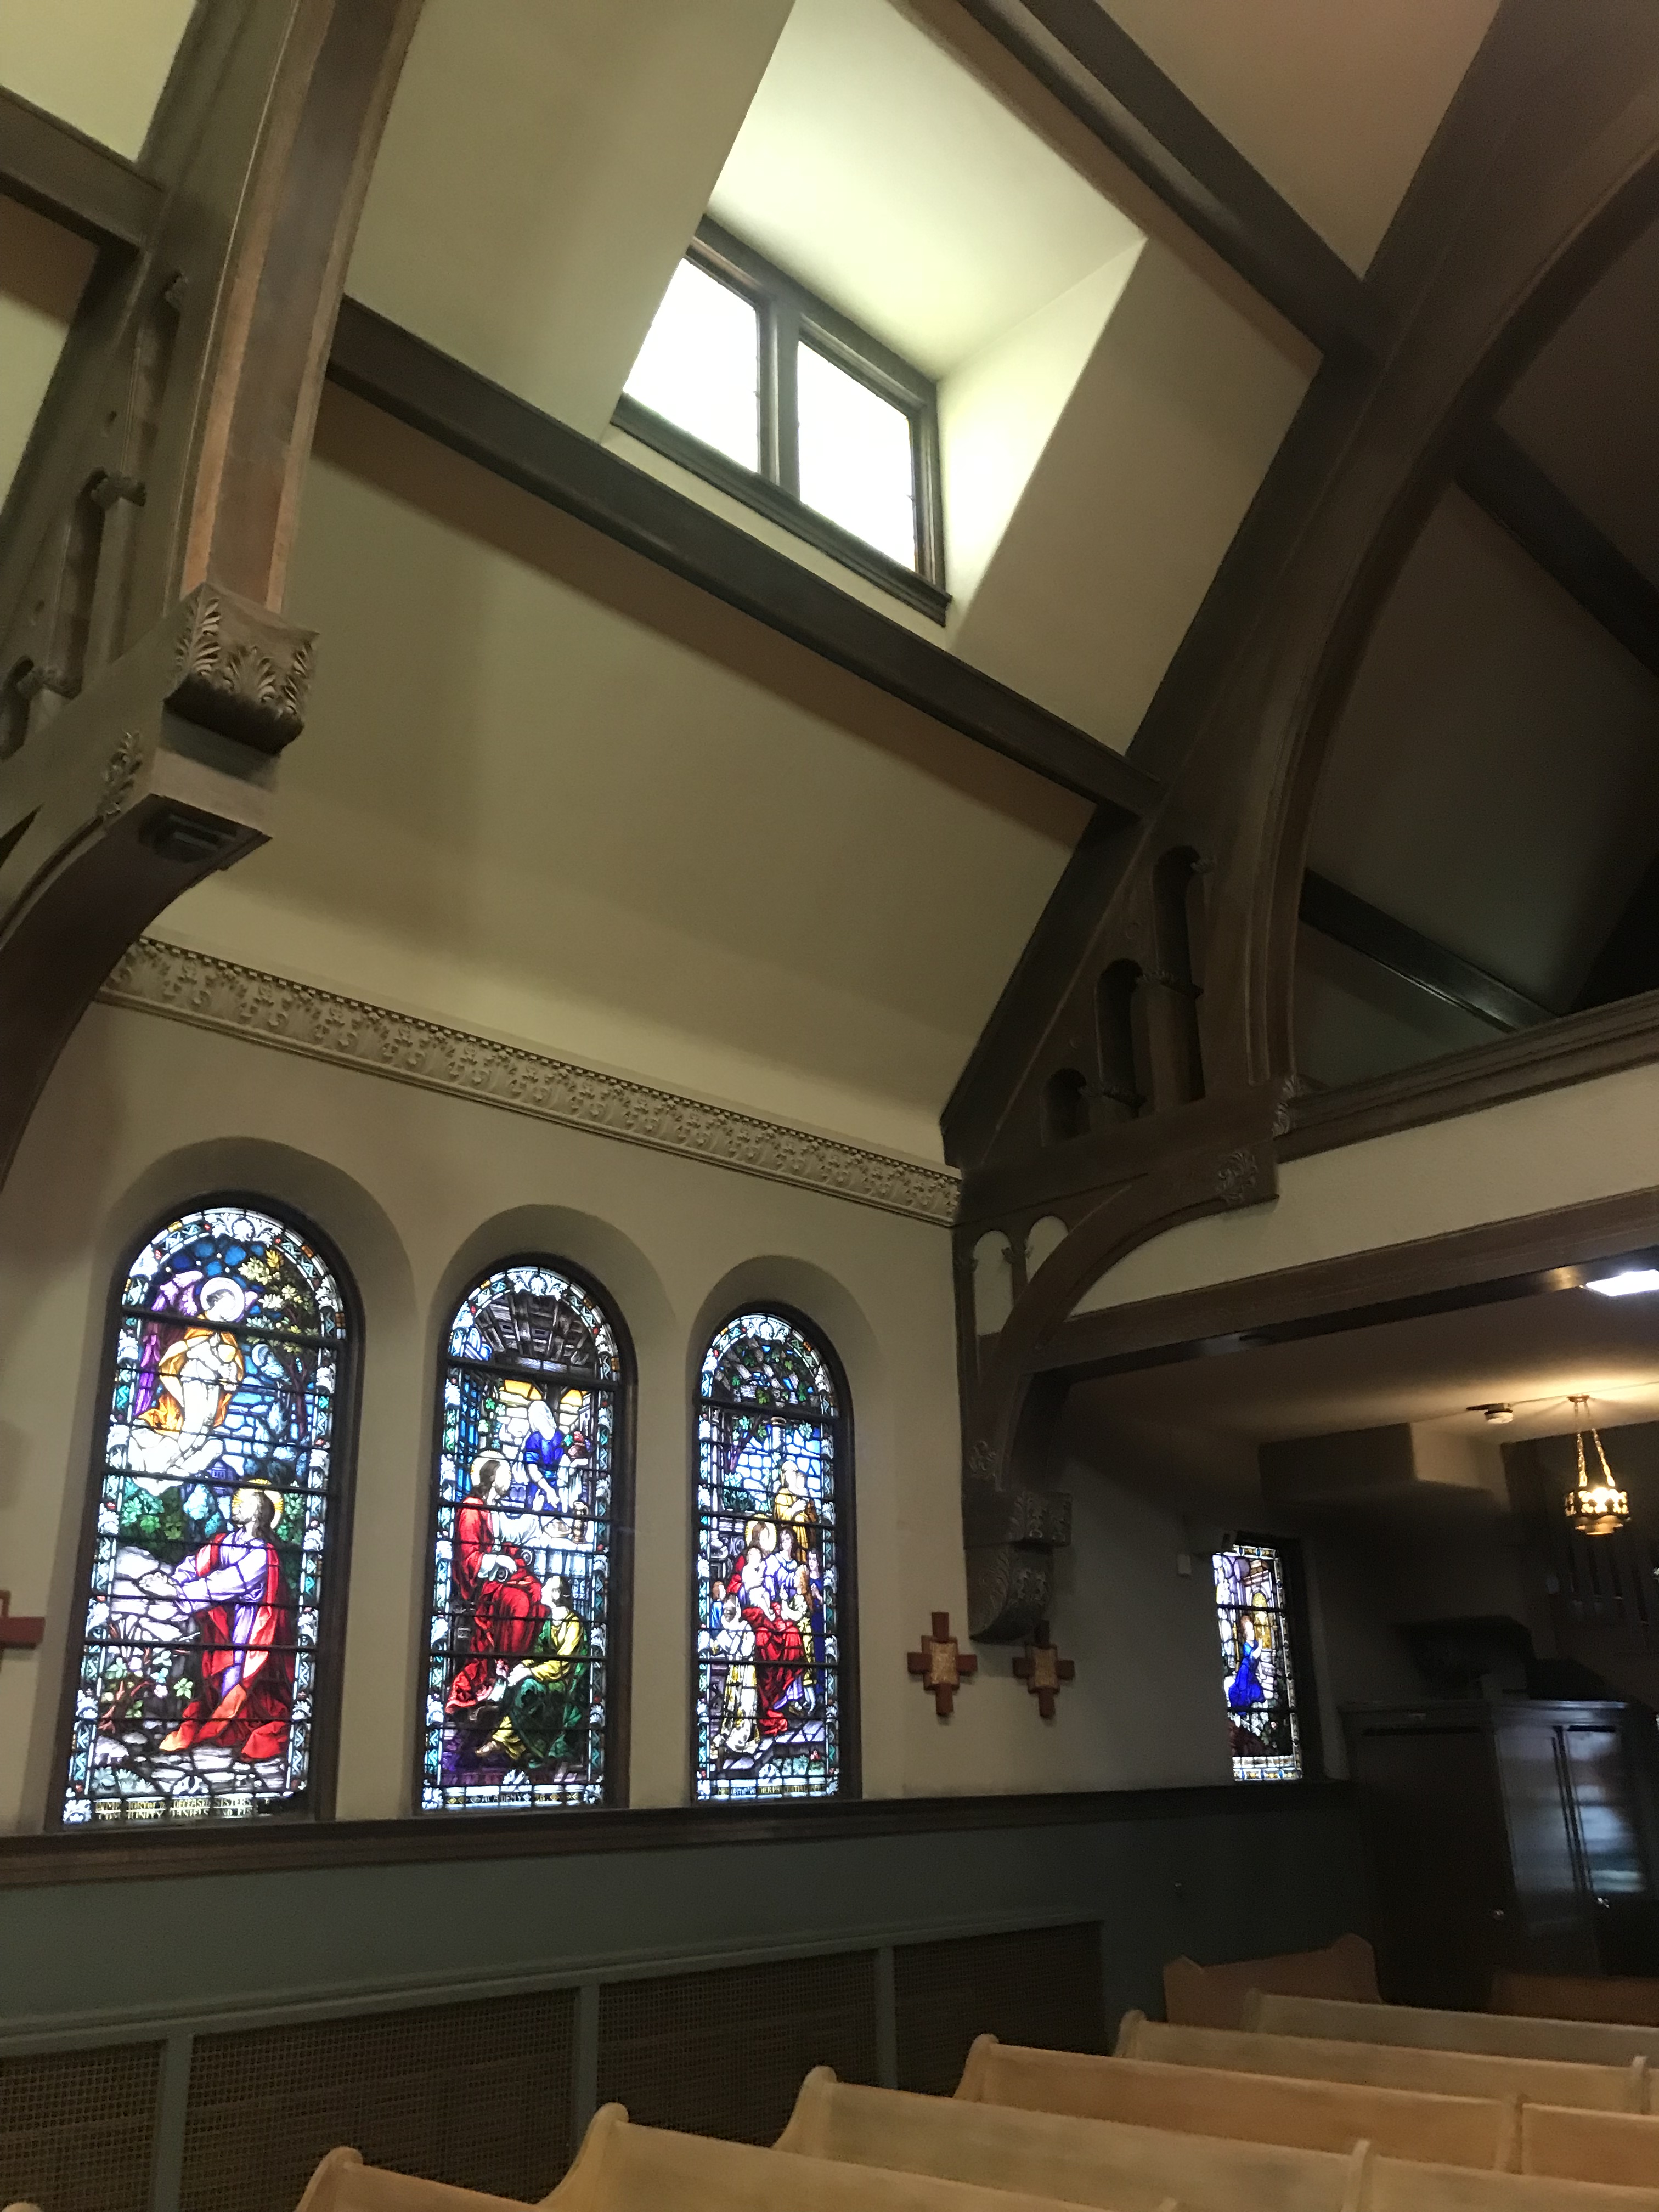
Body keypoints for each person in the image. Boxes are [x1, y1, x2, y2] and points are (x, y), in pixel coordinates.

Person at [131, 1481, 294, 1763]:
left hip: (251, 1626)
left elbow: (229, 1582)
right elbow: (197, 1564)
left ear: (258, 1514)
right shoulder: (225, 1542)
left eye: (244, 1505)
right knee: (218, 1678)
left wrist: (176, 1593)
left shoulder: (262, 1554)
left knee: (237, 1675)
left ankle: (230, 1729)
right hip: (222, 1624)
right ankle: (223, 1727)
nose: (236, 1507)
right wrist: (173, 1582)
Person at [445, 1451, 549, 1716]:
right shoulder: (471, 1509)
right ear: (492, 1477)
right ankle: (502, 1672)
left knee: (537, 1593)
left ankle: (523, 1669)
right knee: (520, 1601)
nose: (511, 1478)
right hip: (479, 1587)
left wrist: (512, 1552)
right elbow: (469, 1558)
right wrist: (498, 1560)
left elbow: (509, 1536)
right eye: (507, 1473)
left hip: (496, 1581)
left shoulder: (492, 1507)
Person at [128, 1276, 249, 1489]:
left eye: (233, 1305)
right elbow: (191, 1351)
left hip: (214, 1386)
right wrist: (217, 1364)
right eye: (228, 1302)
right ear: (215, 1300)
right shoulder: (198, 1325)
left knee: (204, 1427)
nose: (230, 1308)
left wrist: (231, 1377)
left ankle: (164, 1469)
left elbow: (234, 1365)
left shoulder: (228, 1335)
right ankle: (157, 1465)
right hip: (194, 1378)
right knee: (192, 1426)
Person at [488, 1576, 587, 1768]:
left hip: (565, 1682)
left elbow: (563, 1664)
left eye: (547, 1586)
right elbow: (539, 1652)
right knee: (516, 1683)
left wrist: (530, 1673)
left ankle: (503, 1740)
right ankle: (513, 1746)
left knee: (528, 1687)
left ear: (556, 1594)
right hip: (546, 1674)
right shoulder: (551, 1620)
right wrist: (523, 1666)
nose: (542, 1589)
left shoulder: (573, 1624)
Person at [727, 1519, 806, 1739]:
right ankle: (766, 1703)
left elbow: (780, 1584)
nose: (766, 1541)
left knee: (792, 1633)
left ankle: (788, 1698)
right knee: (763, 1641)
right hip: (750, 1611)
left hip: (770, 1608)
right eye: (763, 1537)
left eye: (768, 1537)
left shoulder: (770, 1560)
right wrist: (747, 1588)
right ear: (755, 1538)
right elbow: (735, 1586)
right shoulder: (745, 1558)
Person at [711, 1592, 759, 1756]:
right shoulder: (724, 1634)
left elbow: (746, 1651)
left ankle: (739, 1740)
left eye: (731, 1613)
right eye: (726, 1613)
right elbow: (716, 1648)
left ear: (737, 1612)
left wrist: (736, 1638)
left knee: (746, 1706)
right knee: (731, 1706)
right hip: (734, 1672)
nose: (728, 1616)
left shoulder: (746, 1628)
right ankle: (727, 1734)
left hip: (747, 1672)